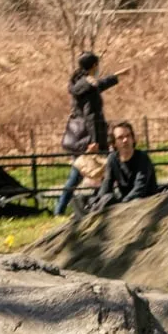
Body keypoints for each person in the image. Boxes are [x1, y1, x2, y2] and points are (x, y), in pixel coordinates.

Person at [56, 52, 126, 214]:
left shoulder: (82, 83)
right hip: (90, 137)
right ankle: (98, 204)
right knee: (90, 171)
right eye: (97, 64)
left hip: (80, 135)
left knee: (87, 172)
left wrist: (115, 76)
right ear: (94, 65)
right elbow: (91, 115)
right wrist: (94, 141)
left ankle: (63, 208)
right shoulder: (88, 85)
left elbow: (97, 85)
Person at [90, 121, 158, 209]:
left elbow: (140, 188)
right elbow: (107, 184)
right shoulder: (113, 159)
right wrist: (98, 201)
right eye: (120, 138)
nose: (125, 140)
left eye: (128, 136)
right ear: (114, 143)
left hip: (147, 203)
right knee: (104, 199)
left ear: (133, 139)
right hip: (126, 203)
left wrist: (122, 204)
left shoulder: (143, 158)